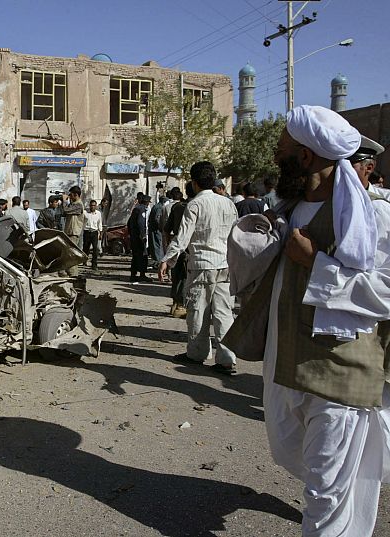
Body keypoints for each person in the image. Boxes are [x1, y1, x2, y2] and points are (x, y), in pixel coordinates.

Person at [226, 105, 390, 536]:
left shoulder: (371, 219)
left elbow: (385, 291)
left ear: (305, 157)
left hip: (339, 374)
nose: (274, 155)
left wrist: (316, 263)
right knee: (292, 456)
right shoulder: (290, 210)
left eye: (280, 148)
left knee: (325, 494)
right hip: (285, 368)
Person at [158, 161, 238, 375]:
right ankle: (227, 359)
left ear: (193, 182)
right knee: (224, 313)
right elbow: (236, 237)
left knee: (198, 311)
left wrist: (166, 260)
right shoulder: (228, 204)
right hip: (225, 266)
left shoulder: (195, 205)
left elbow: (182, 238)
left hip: (202, 265)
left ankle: (197, 353)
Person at [163, 182, 194, 318]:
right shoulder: (195, 207)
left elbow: (166, 229)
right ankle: (181, 305)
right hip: (189, 248)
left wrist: (169, 246)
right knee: (186, 278)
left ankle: (176, 303)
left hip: (177, 246)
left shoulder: (177, 207)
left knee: (177, 276)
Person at [62, 186, 85, 277]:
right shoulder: (74, 204)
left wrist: (64, 201)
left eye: (71, 195)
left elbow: (66, 210)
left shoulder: (79, 205)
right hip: (69, 232)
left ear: (76, 195)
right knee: (68, 254)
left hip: (73, 233)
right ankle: (69, 272)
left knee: (72, 255)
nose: (69, 197)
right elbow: (64, 212)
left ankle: (73, 275)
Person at [127, 195, 151, 283]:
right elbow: (141, 223)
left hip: (134, 236)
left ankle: (133, 275)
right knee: (143, 255)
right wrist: (143, 235)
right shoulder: (142, 210)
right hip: (140, 237)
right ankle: (142, 274)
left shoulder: (135, 209)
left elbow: (129, 223)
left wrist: (131, 234)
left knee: (135, 256)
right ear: (146, 202)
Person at [82, 199, 102, 271]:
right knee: (86, 248)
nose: (92, 207)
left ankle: (94, 264)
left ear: (96, 206)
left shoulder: (98, 213)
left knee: (95, 249)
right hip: (87, 232)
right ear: (89, 206)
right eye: (91, 205)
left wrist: (100, 233)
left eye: (94, 205)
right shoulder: (85, 212)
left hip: (94, 232)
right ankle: (84, 260)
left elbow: (99, 223)